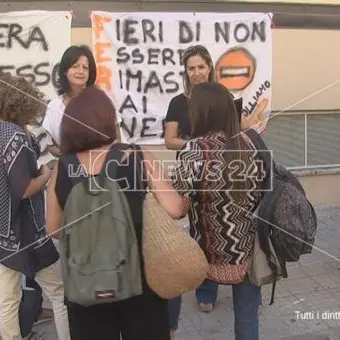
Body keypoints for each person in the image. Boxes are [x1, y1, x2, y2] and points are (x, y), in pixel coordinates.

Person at [46, 86, 189, 340]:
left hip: (84, 285)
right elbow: (175, 209)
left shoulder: (63, 167)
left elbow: (54, 228)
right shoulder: (138, 156)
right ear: (109, 121)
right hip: (139, 281)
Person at [172, 81, 263, 340]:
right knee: (247, 323)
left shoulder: (193, 150)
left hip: (206, 255)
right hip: (248, 252)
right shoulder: (250, 143)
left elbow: (178, 208)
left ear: (202, 112)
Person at [0, 72, 70, 340]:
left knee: (7, 300)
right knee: (59, 295)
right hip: (27, 232)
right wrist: (46, 175)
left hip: (3, 234)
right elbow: (26, 189)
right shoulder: (14, 135)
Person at [164, 46, 218, 335]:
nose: (196, 72)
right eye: (191, 68)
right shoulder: (178, 103)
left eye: (200, 66)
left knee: (220, 227)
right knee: (200, 232)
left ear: (209, 67)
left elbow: (241, 130)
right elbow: (169, 140)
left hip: (223, 176)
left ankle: (230, 275)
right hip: (192, 175)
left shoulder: (224, 98)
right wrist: (195, 144)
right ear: (185, 71)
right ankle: (206, 288)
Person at [42, 45, 123, 159]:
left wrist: (96, 158)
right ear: (65, 71)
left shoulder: (103, 101)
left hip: (104, 168)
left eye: (85, 67)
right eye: (75, 66)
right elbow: (51, 146)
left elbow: (117, 140)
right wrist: (74, 158)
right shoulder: (54, 106)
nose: (80, 71)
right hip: (72, 170)